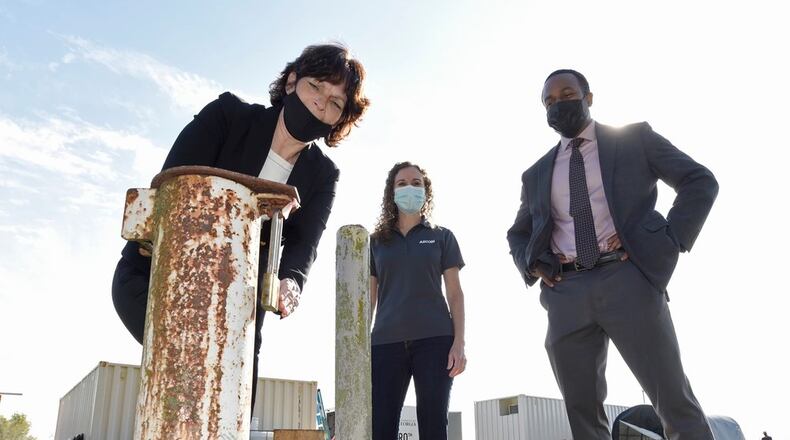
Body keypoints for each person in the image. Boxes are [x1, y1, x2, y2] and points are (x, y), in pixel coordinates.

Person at [111, 43, 369, 404]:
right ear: (292, 81)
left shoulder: (323, 174)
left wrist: (291, 284)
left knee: (234, 405)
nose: (321, 104)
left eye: (335, 103)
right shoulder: (227, 115)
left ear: (337, 121)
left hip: (238, 309)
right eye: (316, 87)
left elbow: (304, 246)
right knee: (192, 375)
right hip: (155, 278)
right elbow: (172, 185)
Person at [507, 69, 718, 440]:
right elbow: (518, 233)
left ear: (588, 98)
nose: (558, 104)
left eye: (567, 94)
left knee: (673, 401)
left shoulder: (634, 139)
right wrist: (534, 264)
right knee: (583, 416)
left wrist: (670, 240)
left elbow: (699, 181)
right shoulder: (536, 173)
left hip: (627, 278)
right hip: (565, 292)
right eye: (549, 101)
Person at [369, 162, 466, 440]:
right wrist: (361, 348)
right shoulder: (376, 242)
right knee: (381, 428)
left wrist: (459, 343)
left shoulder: (442, 237)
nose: (409, 188)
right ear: (391, 192)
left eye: (416, 183)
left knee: (434, 427)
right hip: (385, 344)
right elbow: (369, 298)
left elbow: (455, 294)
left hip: (435, 342)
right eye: (401, 183)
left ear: (426, 191)